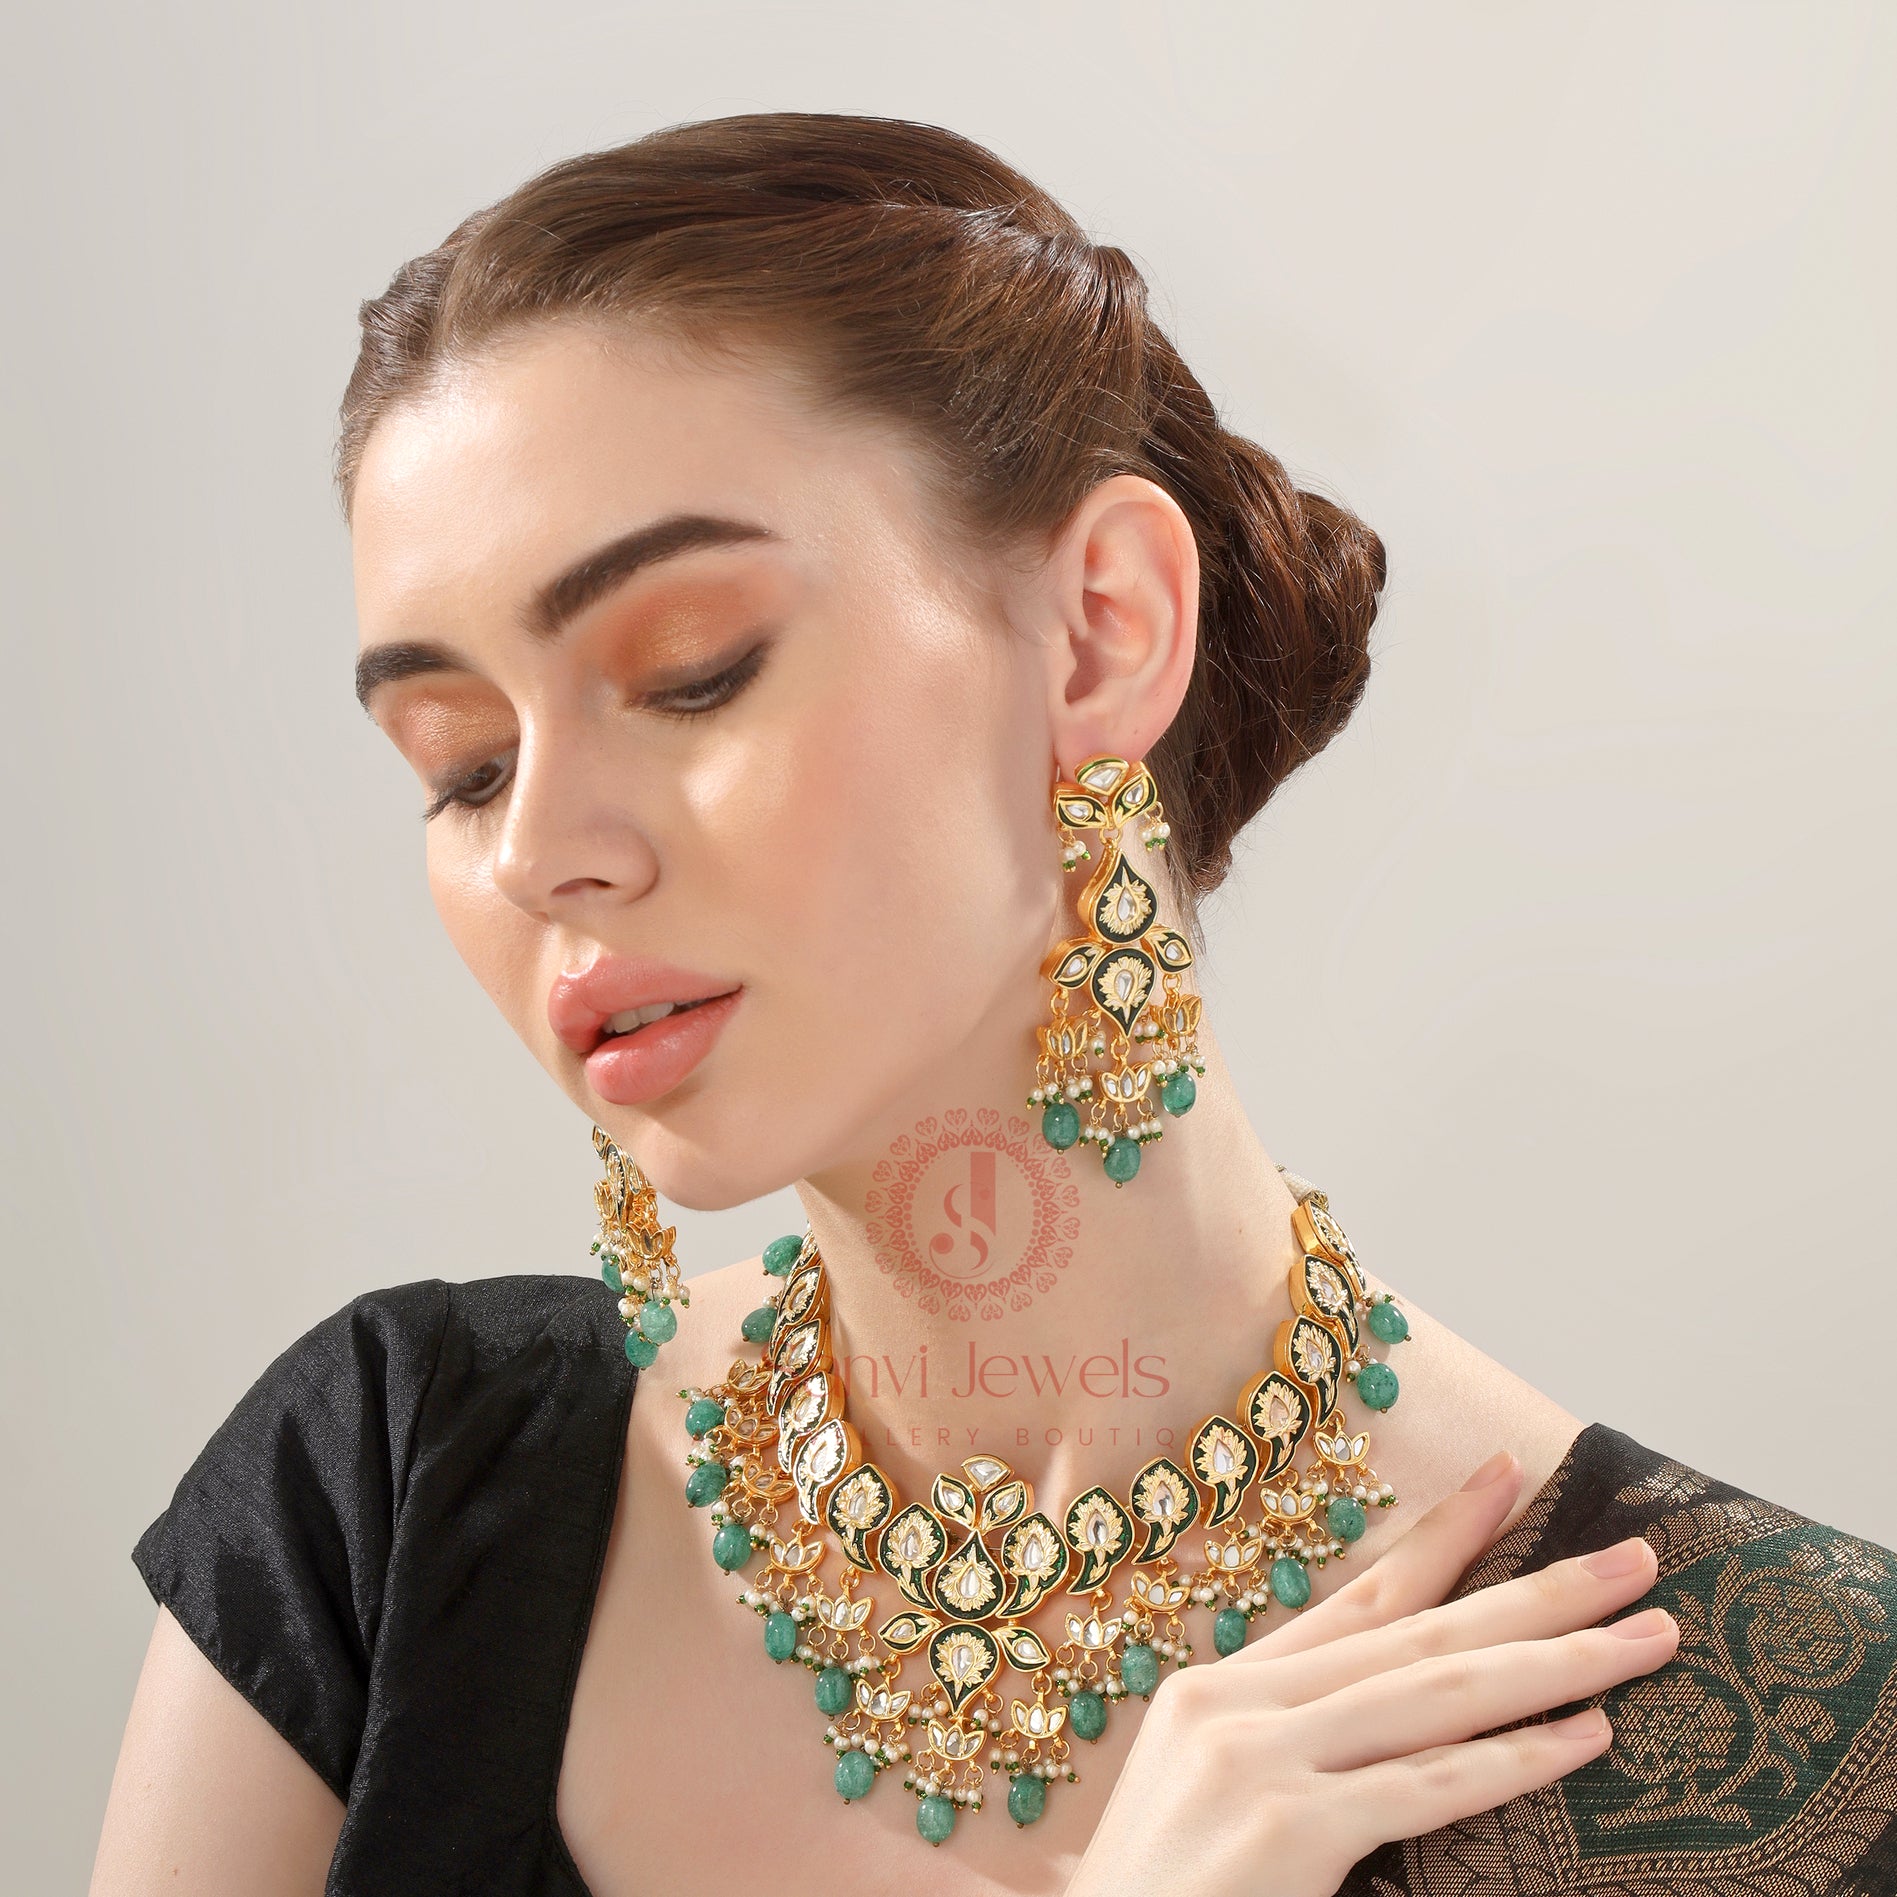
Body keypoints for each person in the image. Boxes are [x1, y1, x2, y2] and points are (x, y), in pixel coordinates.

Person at [92, 112, 1897, 1897]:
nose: (538, 849)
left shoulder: (1796, 1730)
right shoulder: (384, 1502)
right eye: (463, 765)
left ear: (1099, 630)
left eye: (690, 672)